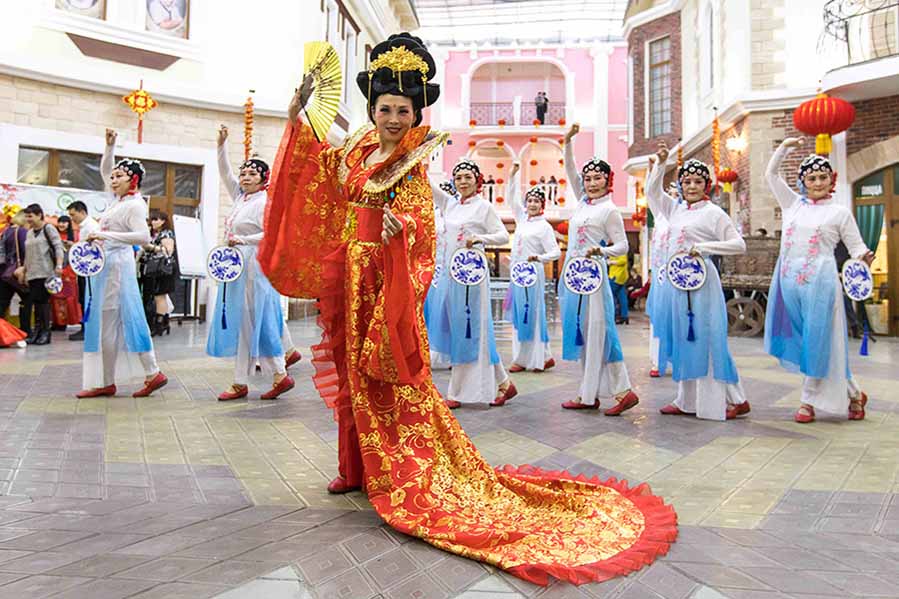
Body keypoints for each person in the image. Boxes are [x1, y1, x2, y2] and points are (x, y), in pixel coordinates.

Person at [258, 33, 676, 586]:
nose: (392, 119)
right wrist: (296, 116)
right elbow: (321, 174)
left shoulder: (411, 163)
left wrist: (397, 230)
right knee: (355, 374)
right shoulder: (357, 150)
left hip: (386, 278)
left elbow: (422, 228)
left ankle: (399, 470)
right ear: (373, 109)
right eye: (384, 109)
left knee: (388, 376)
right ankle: (354, 466)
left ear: (416, 113)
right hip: (353, 278)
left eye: (402, 111)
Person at [764, 138, 873, 423]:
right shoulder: (792, 205)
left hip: (821, 283)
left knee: (817, 340)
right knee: (809, 343)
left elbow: (857, 248)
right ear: (802, 181)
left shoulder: (840, 213)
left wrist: (864, 259)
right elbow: (771, 175)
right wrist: (784, 148)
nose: (818, 182)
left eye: (823, 176)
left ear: (831, 179)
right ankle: (854, 394)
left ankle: (807, 402)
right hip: (788, 281)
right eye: (811, 178)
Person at [647, 140, 749, 421]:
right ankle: (686, 399)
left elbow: (738, 244)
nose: (691, 186)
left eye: (697, 181)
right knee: (685, 337)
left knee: (707, 337)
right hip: (678, 283)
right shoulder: (675, 209)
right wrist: (661, 164)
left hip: (702, 283)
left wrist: (705, 248)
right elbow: (652, 192)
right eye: (687, 181)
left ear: (707, 185)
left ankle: (729, 399)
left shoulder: (714, 213)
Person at [77, 128, 168, 398]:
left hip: (118, 267)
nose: (113, 180)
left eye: (119, 176)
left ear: (134, 180)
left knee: (123, 320)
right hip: (108, 266)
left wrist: (104, 235)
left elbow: (143, 237)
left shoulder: (135, 205)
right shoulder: (118, 201)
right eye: (114, 176)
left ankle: (148, 372)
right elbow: (106, 170)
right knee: (109, 324)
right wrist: (110, 147)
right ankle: (124, 377)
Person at [208, 125, 294, 401]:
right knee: (243, 319)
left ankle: (273, 374)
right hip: (237, 265)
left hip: (255, 265)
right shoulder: (240, 198)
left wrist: (243, 240)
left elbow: (271, 233)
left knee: (257, 317)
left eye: (252, 174)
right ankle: (250, 378)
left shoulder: (265, 202)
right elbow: (225, 173)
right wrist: (222, 145)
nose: (245, 177)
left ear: (263, 178)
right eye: (243, 173)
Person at [558, 123, 639, 415]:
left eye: (598, 178)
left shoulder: (610, 210)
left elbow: (623, 246)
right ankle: (598, 392)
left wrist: (601, 252)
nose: (592, 183)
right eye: (588, 178)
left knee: (599, 333)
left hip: (594, 279)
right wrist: (568, 141)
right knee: (586, 333)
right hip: (575, 277)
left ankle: (604, 393)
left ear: (608, 180)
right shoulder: (582, 204)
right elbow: (570, 169)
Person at [429, 158, 515, 408]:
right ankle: (504, 383)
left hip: (472, 276)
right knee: (469, 328)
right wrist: (410, 154)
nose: (462, 181)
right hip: (450, 275)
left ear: (477, 180)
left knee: (468, 328)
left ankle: (457, 392)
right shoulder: (450, 204)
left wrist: (479, 238)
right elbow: (428, 184)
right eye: (458, 177)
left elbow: (502, 235)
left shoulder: (484, 207)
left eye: (468, 177)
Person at [505, 162, 560, 373]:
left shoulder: (544, 227)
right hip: (518, 275)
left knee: (531, 314)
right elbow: (512, 198)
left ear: (542, 205)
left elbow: (555, 252)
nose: (532, 204)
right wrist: (512, 176)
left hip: (532, 274)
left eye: (537, 201)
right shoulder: (522, 220)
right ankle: (543, 356)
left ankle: (527, 359)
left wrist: (539, 258)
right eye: (530, 200)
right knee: (520, 314)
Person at [20, 204, 65, 346]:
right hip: (32, 273)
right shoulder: (29, 232)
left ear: (39, 215)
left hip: (46, 272)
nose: (28, 219)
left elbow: (58, 247)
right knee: (36, 303)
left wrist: (59, 265)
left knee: (43, 302)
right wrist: (24, 271)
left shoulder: (48, 228)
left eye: (30, 216)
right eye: (26, 216)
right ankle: (38, 331)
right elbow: (27, 254)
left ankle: (46, 332)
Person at [66, 200, 100, 341]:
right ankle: (85, 326)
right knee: (82, 297)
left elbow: (93, 248)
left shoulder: (91, 226)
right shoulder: (84, 226)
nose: (72, 218)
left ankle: (88, 328)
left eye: (73, 215)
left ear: (82, 212)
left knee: (88, 297)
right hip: (84, 267)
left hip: (90, 268)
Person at [139, 210, 177, 336]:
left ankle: (159, 324)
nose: (153, 222)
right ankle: (163, 322)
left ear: (163, 221)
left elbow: (168, 251)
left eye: (156, 219)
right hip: (154, 270)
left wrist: (151, 247)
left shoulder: (166, 234)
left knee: (159, 296)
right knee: (158, 296)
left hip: (163, 269)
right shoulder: (156, 234)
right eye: (152, 219)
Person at [0, 208, 31, 342]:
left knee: (2, 304)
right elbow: (26, 251)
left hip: (4, 273)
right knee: (27, 300)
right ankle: (25, 331)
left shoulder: (6, 231)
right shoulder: (22, 231)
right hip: (17, 272)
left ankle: (2, 335)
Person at [50, 215, 83, 331]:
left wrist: (72, 244)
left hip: (69, 271)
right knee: (55, 297)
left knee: (69, 297)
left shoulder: (75, 236)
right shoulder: (53, 236)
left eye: (64, 222)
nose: (61, 224)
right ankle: (58, 323)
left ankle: (71, 320)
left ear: (69, 224)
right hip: (56, 270)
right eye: (60, 222)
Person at [608, 253, 629, 324]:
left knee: (612, 296)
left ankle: (615, 315)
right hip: (622, 278)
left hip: (615, 276)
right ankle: (624, 316)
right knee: (622, 297)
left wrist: (611, 262)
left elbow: (623, 261)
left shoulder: (618, 250)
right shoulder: (621, 250)